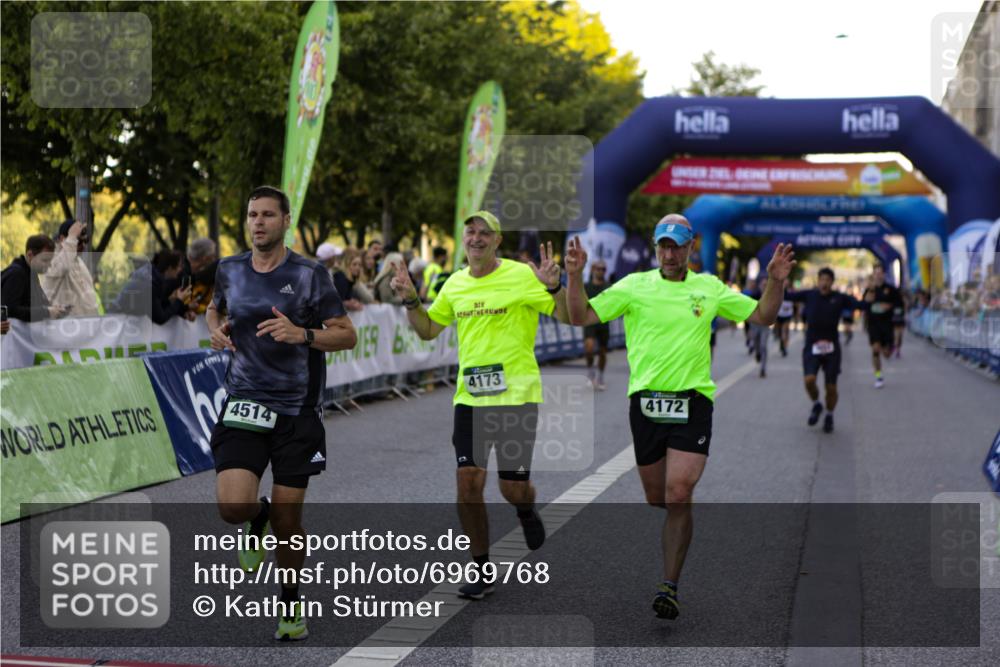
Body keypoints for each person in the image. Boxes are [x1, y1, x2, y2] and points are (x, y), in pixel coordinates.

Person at [565, 214, 794, 621]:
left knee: (679, 491)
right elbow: (581, 315)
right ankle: (676, 524)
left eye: (677, 246)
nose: (669, 254)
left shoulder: (709, 288)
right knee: (658, 498)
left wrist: (775, 282)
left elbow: (763, 317)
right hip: (646, 404)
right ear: (656, 248)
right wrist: (576, 277)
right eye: (663, 246)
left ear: (691, 248)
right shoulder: (634, 286)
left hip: (693, 402)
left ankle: (669, 585)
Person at [390, 210, 572, 600]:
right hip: (470, 400)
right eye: (470, 231)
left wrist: (556, 288)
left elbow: (568, 316)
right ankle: (482, 568)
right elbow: (427, 330)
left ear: (497, 241)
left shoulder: (523, 276)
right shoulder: (454, 284)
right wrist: (410, 300)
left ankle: (526, 508)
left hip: (516, 398)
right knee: (468, 483)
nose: (475, 238)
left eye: (484, 233)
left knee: (512, 487)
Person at [206, 186, 356, 641]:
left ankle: (290, 605)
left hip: (297, 410)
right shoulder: (229, 269)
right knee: (232, 506)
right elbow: (214, 311)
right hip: (245, 401)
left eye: (268, 215)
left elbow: (346, 335)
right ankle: (257, 516)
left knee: (290, 523)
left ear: (285, 220)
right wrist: (217, 331)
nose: (258, 222)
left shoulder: (311, 274)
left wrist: (301, 334)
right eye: (252, 214)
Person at [785, 268, 865, 434]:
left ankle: (829, 414)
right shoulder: (809, 295)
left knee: (831, 388)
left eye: (828, 280)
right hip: (812, 346)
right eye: (822, 279)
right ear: (818, 281)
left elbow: (859, 305)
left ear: (832, 282)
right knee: (809, 380)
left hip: (832, 348)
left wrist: (870, 299)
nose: (824, 283)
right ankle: (817, 404)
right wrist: (779, 282)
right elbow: (787, 296)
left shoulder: (839, 298)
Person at [108, 249, 193, 324]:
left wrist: (170, 301)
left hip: (119, 321)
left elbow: (155, 308)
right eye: (179, 266)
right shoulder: (150, 283)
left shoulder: (151, 278)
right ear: (170, 268)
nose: (181, 269)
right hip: (116, 324)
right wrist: (179, 301)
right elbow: (160, 318)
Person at [1, 234, 69, 321]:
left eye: (50, 261)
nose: (49, 265)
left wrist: (53, 309)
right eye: (45, 260)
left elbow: (33, 304)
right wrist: (46, 312)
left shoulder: (31, 273)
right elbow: (9, 310)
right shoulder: (16, 274)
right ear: (30, 255)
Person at [40, 220, 100, 316]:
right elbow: (62, 267)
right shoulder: (52, 259)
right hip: (64, 327)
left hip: (86, 327)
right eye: (79, 241)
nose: (83, 245)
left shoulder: (78, 261)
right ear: (62, 239)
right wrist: (72, 238)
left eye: (86, 241)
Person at [862, 264, 903, 388]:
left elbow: (899, 305)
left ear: (884, 274)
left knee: (886, 354)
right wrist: (870, 289)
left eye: (880, 272)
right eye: (876, 273)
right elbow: (865, 303)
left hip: (887, 325)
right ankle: (878, 376)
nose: (878, 275)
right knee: (875, 350)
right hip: (874, 324)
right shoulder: (870, 289)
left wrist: (890, 307)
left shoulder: (891, 289)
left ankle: (891, 347)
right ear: (873, 274)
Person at [583, 260, 610, 390]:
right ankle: (590, 373)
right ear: (593, 270)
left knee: (602, 353)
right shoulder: (586, 286)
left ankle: (600, 376)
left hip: (604, 322)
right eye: (598, 269)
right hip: (589, 322)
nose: (601, 271)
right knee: (589, 348)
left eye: (603, 269)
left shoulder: (609, 286)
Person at [774, 279, 793, 357]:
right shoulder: (777, 292)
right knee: (779, 332)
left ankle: (784, 348)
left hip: (787, 315)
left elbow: (796, 304)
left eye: (787, 283)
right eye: (784, 283)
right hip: (779, 315)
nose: (785, 285)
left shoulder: (791, 292)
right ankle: (781, 343)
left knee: (784, 331)